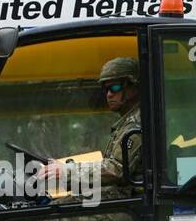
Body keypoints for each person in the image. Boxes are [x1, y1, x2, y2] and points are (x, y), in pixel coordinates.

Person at [44, 56, 143, 201]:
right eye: (106, 89)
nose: (109, 94)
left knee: (53, 218)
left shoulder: (137, 123)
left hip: (128, 206)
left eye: (114, 87)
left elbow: (116, 169)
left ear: (133, 87)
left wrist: (67, 171)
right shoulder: (128, 122)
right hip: (120, 200)